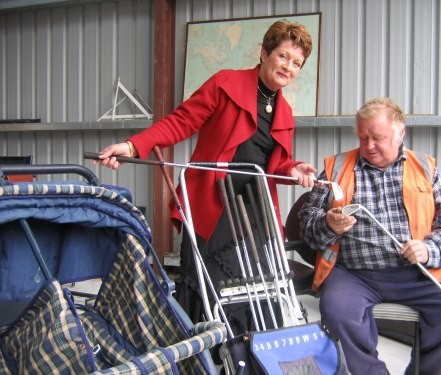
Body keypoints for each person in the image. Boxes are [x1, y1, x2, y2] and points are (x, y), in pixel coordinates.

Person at [95, 20, 317, 335]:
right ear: (265, 52)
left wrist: (294, 169)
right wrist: (133, 146)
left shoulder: (285, 114)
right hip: (213, 206)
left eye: (297, 63)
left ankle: (242, 355)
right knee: (207, 285)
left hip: (253, 211)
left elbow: (275, 165)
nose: (288, 67)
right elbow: (180, 122)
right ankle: (202, 356)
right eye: (283, 56)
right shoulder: (226, 83)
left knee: (254, 288)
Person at [298, 97, 441, 375]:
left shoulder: (426, 169)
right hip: (353, 274)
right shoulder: (337, 168)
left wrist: (429, 250)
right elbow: (306, 224)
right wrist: (328, 225)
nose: (368, 146)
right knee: (337, 309)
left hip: (415, 273)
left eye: (378, 138)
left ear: (400, 133)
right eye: (363, 137)